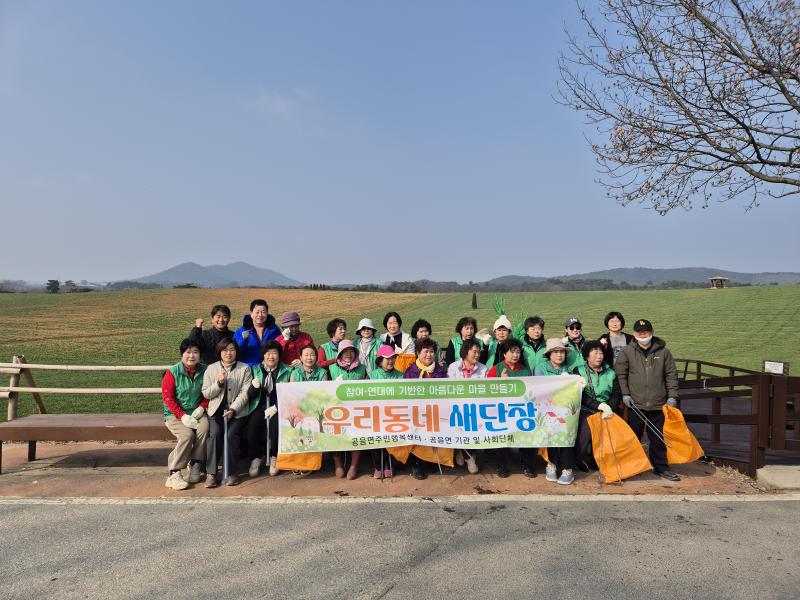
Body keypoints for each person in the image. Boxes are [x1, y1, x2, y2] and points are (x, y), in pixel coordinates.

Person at [615, 319, 681, 481]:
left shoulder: (664, 352)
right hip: (635, 403)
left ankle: (660, 468)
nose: (642, 334)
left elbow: (671, 375)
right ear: (634, 334)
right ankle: (630, 467)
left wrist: (672, 396)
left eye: (645, 332)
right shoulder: (627, 352)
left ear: (651, 332)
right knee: (633, 437)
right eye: (639, 332)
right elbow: (621, 375)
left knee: (658, 438)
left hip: (658, 403)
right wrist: (625, 394)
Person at [201, 338, 253, 487]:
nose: (228, 353)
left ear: (237, 351)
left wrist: (233, 409)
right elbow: (206, 393)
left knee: (230, 435)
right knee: (215, 434)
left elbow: (245, 393)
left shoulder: (244, 369)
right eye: (225, 350)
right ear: (219, 352)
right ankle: (211, 473)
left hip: (237, 412)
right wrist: (218, 384)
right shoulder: (211, 369)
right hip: (216, 411)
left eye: (232, 349)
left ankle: (231, 471)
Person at [162, 339, 210, 491]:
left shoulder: (205, 370)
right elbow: (168, 397)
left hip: (197, 412)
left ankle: (196, 462)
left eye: (195, 352)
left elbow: (208, 393)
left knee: (204, 428)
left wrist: (202, 407)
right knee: (187, 435)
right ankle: (174, 472)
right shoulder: (172, 372)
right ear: (182, 354)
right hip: (175, 414)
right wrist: (181, 415)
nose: (191, 356)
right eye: (188, 352)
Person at [245, 340, 293, 478]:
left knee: (275, 427)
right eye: (267, 353)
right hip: (259, 405)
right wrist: (254, 388)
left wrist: (276, 407)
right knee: (253, 426)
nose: (270, 357)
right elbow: (249, 395)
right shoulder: (255, 370)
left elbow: (289, 395)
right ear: (263, 355)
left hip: (279, 406)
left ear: (279, 355)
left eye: (274, 353)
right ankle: (255, 458)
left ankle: (274, 456)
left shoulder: (287, 370)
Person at [486, 338, 532, 477]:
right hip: (502, 411)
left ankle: (527, 464)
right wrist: (499, 381)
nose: (515, 355)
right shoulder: (497, 369)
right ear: (504, 354)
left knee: (529, 431)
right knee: (501, 433)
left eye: (517, 352)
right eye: (511, 352)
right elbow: (488, 392)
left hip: (521, 410)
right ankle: (501, 465)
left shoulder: (525, 370)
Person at [403, 337, 448, 479]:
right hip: (416, 412)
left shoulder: (440, 371)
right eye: (425, 351)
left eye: (432, 351)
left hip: (435, 411)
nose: (429, 354)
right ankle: (416, 463)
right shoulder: (411, 371)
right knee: (416, 432)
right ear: (418, 352)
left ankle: (432, 459)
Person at [573, 340, 621, 471]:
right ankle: (577, 460)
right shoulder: (579, 370)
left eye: (601, 353)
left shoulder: (610, 373)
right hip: (586, 409)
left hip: (608, 409)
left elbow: (616, 393)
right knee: (586, 432)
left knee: (612, 432)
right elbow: (580, 395)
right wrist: (599, 406)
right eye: (594, 353)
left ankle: (600, 460)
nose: (599, 356)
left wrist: (609, 407)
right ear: (587, 356)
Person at [534, 338, 576, 485]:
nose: (559, 355)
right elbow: (540, 389)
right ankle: (551, 464)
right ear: (549, 354)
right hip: (547, 409)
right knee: (551, 434)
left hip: (566, 409)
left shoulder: (569, 369)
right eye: (556, 352)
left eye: (562, 352)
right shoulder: (540, 368)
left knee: (566, 435)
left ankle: (567, 468)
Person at [328, 339, 367, 479]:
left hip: (357, 410)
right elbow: (324, 390)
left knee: (358, 432)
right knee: (332, 430)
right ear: (339, 354)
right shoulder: (332, 368)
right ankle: (338, 464)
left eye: (351, 351)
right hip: (336, 410)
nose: (348, 354)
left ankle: (353, 465)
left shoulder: (362, 368)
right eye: (345, 352)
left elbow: (367, 388)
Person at [368, 344, 403, 479]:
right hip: (376, 415)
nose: (390, 361)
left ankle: (390, 465)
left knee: (395, 437)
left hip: (395, 414)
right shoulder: (372, 375)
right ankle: (378, 466)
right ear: (380, 360)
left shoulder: (400, 375)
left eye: (392, 358)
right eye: (387, 358)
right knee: (374, 436)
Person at [233, 299, 280, 366]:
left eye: (263, 312)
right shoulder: (241, 331)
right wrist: (243, 339)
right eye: (257, 312)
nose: (260, 315)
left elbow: (279, 349)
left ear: (267, 313)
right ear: (251, 313)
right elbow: (235, 350)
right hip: (247, 369)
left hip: (269, 368)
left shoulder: (274, 330)